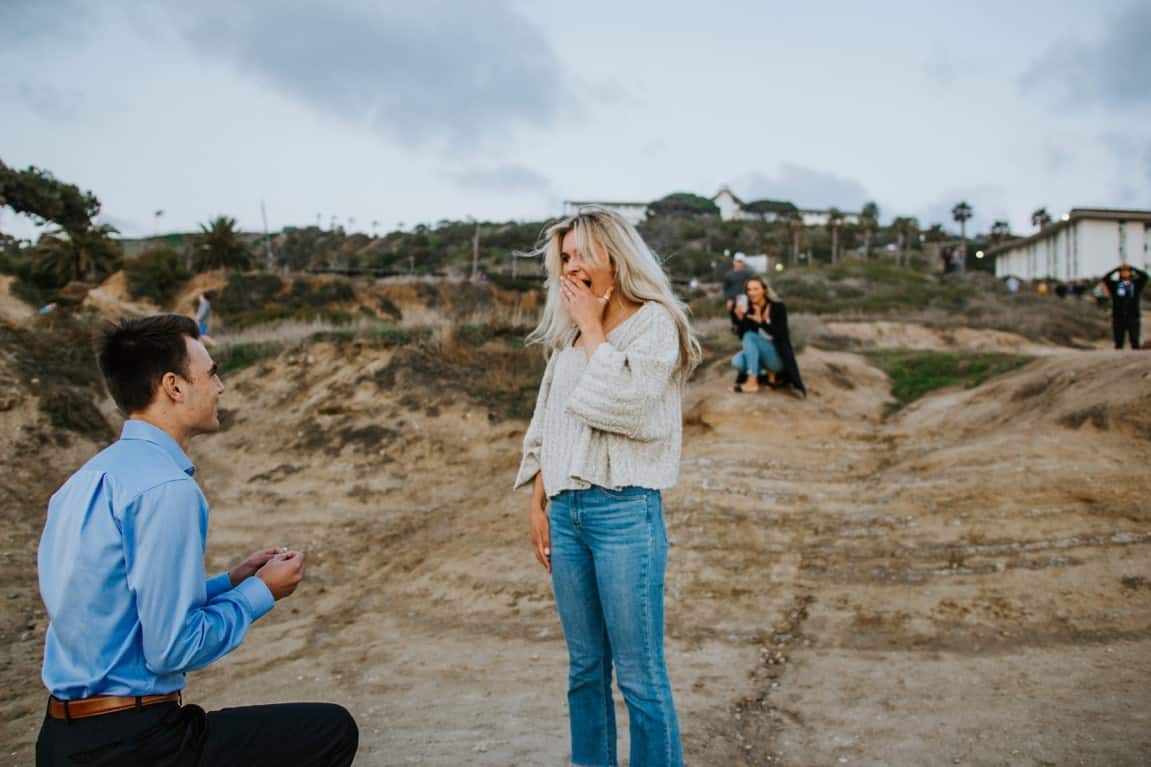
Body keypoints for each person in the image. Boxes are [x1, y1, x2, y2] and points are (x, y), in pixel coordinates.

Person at [36, 315, 358, 767]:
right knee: (330, 731)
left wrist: (231, 581)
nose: (221, 387)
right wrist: (261, 593)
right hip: (136, 745)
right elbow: (172, 646)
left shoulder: (84, 481)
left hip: (60, 741)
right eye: (211, 373)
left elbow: (117, 612)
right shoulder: (166, 489)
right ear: (174, 386)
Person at [515, 206, 700, 767]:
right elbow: (550, 420)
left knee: (641, 677)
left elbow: (627, 409)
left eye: (582, 255)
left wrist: (596, 328)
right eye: (565, 257)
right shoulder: (569, 338)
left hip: (625, 515)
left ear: (615, 257)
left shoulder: (655, 324)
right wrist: (539, 496)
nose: (570, 267)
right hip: (567, 515)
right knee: (585, 671)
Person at [729, 277, 807, 397]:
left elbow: (782, 335)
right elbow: (743, 337)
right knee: (737, 361)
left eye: (756, 289)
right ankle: (766, 376)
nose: (751, 293)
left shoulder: (778, 307)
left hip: (778, 358)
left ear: (764, 290)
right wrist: (739, 319)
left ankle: (752, 382)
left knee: (750, 336)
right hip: (762, 358)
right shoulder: (750, 309)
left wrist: (762, 322)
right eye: (749, 290)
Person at [1102, 263, 1148, 349]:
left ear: (1130, 273)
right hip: (1118, 317)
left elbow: (1145, 276)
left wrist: (1132, 267)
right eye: (1123, 272)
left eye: (1127, 271)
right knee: (1119, 342)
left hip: (1133, 316)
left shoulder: (1135, 285)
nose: (1125, 273)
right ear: (1120, 273)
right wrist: (1117, 268)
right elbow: (1105, 278)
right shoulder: (1115, 285)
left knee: (1135, 341)